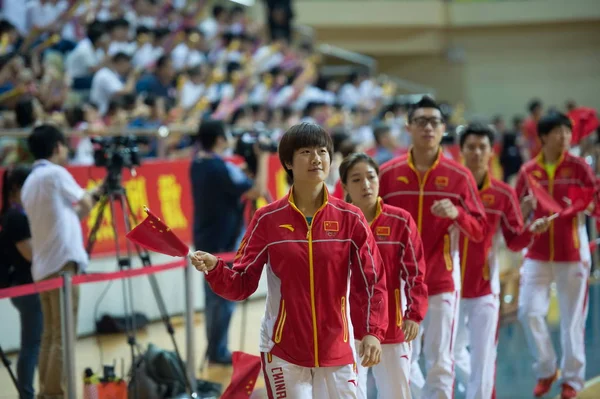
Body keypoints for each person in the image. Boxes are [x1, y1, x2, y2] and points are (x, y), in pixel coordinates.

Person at [191, 123, 388, 397]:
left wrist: (373, 331)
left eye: (322, 151)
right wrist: (216, 269)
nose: (316, 158)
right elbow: (242, 284)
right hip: (283, 348)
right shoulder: (267, 219)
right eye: (306, 151)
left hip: (338, 346)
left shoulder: (350, 218)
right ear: (288, 162)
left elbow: (374, 280)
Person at [378, 96, 487, 399]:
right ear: (409, 127)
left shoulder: (459, 176)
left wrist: (458, 214)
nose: (428, 127)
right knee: (401, 357)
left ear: (443, 129)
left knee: (440, 359)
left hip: (440, 281)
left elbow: (479, 231)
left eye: (435, 122)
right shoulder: (387, 174)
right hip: (397, 283)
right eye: (421, 121)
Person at [455, 123, 551, 399]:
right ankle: (478, 387)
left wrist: (531, 229)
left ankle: (483, 393)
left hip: (485, 285)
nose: (476, 152)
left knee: (485, 354)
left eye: (482, 147)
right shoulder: (449, 189)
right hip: (447, 286)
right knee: (447, 354)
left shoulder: (502, 193)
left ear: (491, 152)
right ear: (461, 151)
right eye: (470, 147)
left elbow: (514, 240)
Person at [515, 112, 598, 399]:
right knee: (528, 311)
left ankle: (572, 380)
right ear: (544, 137)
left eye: (567, 132)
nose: (564, 137)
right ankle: (547, 367)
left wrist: (587, 206)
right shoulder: (528, 172)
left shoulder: (579, 168)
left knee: (572, 319)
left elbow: (594, 201)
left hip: (572, 253)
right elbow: (515, 213)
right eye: (558, 132)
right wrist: (524, 210)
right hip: (537, 253)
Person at [21, 124, 103, 398]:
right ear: (57, 146)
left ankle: (47, 391)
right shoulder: (55, 174)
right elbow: (86, 203)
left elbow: (68, 218)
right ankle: (57, 394)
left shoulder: (31, 181)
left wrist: (93, 195)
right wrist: (100, 191)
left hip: (44, 266)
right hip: (62, 266)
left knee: (50, 335)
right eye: (64, 145)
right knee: (63, 336)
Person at [339, 152, 427, 399]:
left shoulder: (400, 220)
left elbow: (416, 273)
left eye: (370, 177)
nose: (366, 185)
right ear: (345, 186)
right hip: (348, 329)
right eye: (356, 180)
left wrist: (414, 314)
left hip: (392, 326)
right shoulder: (337, 223)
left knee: (396, 394)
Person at [190, 119, 268, 365]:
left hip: (206, 236)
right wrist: (264, 158)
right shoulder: (219, 168)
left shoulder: (197, 164)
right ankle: (218, 351)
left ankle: (215, 348)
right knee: (223, 297)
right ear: (220, 139)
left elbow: (230, 185)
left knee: (213, 298)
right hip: (224, 241)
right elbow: (257, 190)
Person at [0, 165, 42, 399]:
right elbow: (31, 254)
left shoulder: (16, 214)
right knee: (31, 345)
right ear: (17, 188)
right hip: (26, 287)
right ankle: (27, 395)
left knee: (33, 343)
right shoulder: (15, 217)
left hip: (25, 285)